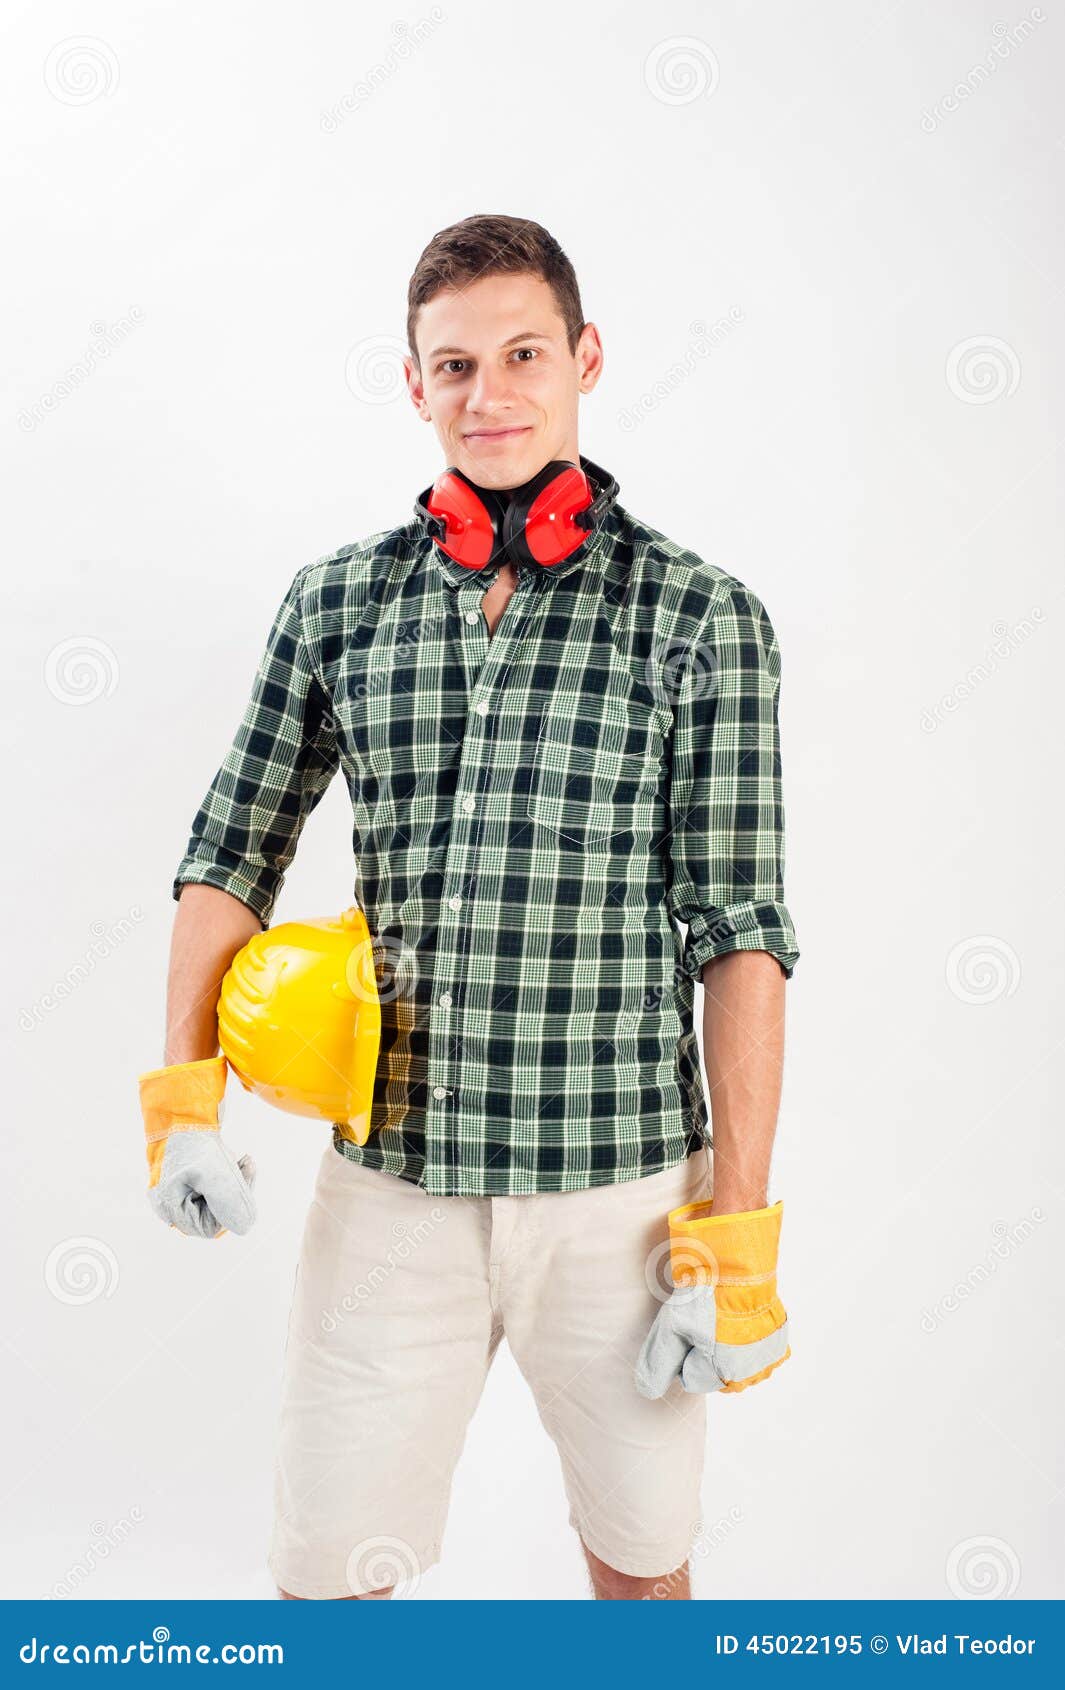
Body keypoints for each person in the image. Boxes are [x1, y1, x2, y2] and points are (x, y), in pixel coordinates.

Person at [141, 213, 800, 1601]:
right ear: (413, 385)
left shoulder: (700, 616)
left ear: (584, 359)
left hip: (618, 1194)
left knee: (639, 1571)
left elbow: (737, 932)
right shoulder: (335, 605)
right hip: (391, 1185)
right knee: (327, 1586)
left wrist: (730, 1239)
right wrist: (181, 1105)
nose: (486, 394)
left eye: (519, 354)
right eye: (452, 366)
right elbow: (230, 850)